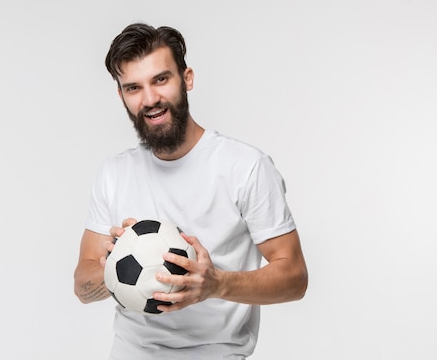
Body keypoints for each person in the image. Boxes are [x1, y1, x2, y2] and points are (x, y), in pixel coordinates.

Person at [73, 22, 308, 359]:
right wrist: (113, 265)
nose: (150, 99)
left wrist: (216, 284)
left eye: (161, 79)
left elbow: (295, 278)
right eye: (133, 88)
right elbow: (82, 286)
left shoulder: (245, 167)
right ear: (122, 96)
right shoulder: (114, 173)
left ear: (187, 79)